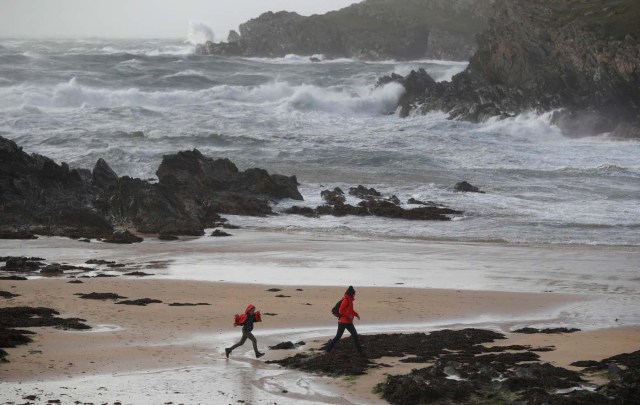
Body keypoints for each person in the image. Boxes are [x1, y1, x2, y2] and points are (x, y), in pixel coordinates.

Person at [326, 286, 364, 355]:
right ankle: (328, 349)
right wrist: (348, 316)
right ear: (351, 294)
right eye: (354, 294)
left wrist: (356, 314)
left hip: (349, 322)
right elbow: (341, 311)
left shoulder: (350, 300)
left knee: (355, 335)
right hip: (342, 322)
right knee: (338, 336)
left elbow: (351, 310)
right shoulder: (346, 300)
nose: (354, 295)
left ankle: (360, 351)